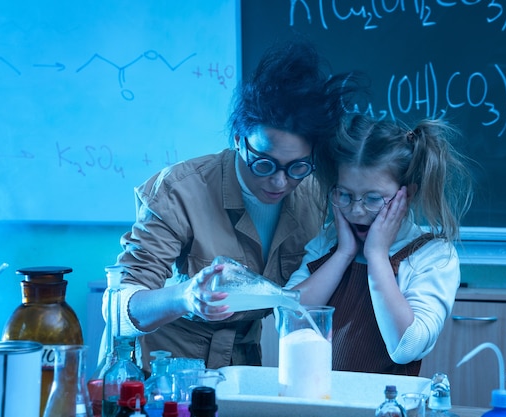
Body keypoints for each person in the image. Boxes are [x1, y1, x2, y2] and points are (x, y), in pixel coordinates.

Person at [104, 40, 358, 373]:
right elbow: (119, 307)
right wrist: (186, 297)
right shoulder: (180, 189)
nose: (280, 183)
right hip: (162, 371)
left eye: (297, 167)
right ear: (238, 139)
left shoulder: (314, 194)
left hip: (242, 368)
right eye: (264, 163)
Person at [285, 113, 474, 376]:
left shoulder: (432, 256)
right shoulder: (329, 242)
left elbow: (406, 347)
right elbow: (288, 319)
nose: (356, 211)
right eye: (345, 195)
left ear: (407, 194)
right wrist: (343, 253)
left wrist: (376, 254)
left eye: (373, 198)